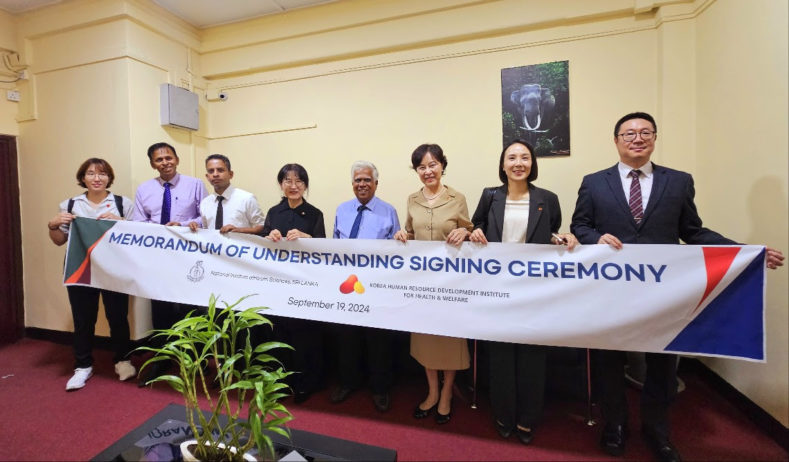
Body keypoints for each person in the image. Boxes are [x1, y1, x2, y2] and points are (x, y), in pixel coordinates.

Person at [570, 112, 784, 462]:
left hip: (663, 292)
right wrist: (595, 238)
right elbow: (580, 225)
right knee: (609, 361)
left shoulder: (679, 182)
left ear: (654, 139)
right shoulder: (594, 183)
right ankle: (615, 425)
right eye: (629, 133)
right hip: (611, 290)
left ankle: (657, 430)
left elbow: (693, 231)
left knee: (663, 363)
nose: (637, 138)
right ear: (616, 140)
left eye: (645, 132)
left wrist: (745, 252)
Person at [469, 140, 578, 444]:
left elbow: (552, 232)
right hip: (497, 288)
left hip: (533, 291)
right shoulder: (490, 196)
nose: (518, 163)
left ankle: (528, 417)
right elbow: (476, 225)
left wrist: (561, 239)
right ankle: (503, 414)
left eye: (525, 158)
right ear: (503, 165)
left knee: (532, 355)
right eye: (512, 158)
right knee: (500, 355)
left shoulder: (548, 199)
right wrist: (474, 232)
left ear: (532, 163)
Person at [393, 143, 473, 424]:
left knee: (449, 340)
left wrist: (464, 232)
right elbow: (411, 233)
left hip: (450, 283)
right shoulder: (412, 199)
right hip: (422, 284)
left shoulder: (457, 198)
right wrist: (403, 235)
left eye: (432, 165)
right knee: (426, 339)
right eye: (421, 167)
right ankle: (432, 391)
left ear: (442, 166)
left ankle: (447, 392)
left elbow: (470, 230)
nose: (428, 171)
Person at [47, 158, 135, 390]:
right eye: (91, 173)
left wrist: (122, 222)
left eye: (102, 173)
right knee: (83, 319)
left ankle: (123, 360)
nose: (97, 178)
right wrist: (53, 225)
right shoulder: (69, 204)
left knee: (118, 316)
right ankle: (83, 365)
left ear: (109, 178)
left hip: (114, 269)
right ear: (82, 178)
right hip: (80, 269)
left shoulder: (122, 203)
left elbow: (137, 239)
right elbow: (59, 241)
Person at [132, 142, 207, 386]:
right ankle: (163, 358)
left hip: (188, 255)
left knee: (190, 306)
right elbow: (139, 223)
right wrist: (159, 229)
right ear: (152, 164)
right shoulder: (144, 189)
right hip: (158, 257)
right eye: (159, 159)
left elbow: (205, 217)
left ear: (177, 159)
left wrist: (184, 225)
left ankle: (193, 357)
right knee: (160, 308)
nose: (165, 162)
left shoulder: (195, 184)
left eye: (168, 157)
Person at [330, 161, 400, 412]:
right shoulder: (342, 209)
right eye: (358, 180)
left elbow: (397, 250)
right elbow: (334, 244)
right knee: (347, 337)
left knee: (377, 339)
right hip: (347, 284)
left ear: (376, 184)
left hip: (376, 286)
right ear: (352, 184)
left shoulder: (388, 211)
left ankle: (380, 388)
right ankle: (348, 382)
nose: (362, 184)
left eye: (367, 180)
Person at [260, 163, 326, 403]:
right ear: (281, 184)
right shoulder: (274, 212)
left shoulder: (315, 213)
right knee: (279, 333)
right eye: (287, 180)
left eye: (299, 181)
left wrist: (307, 238)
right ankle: (280, 382)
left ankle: (305, 383)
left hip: (304, 284)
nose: (293, 185)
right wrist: (269, 236)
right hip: (277, 283)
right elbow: (263, 243)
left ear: (305, 185)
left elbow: (324, 248)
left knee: (304, 335)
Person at [187, 154, 265, 234]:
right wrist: (196, 227)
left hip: (239, 242)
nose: (215, 174)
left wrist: (239, 230)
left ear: (231, 174)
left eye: (220, 170)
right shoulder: (205, 203)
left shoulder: (246, 198)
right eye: (211, 171)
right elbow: (206, 230)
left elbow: (262, 227)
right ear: (207, 177)